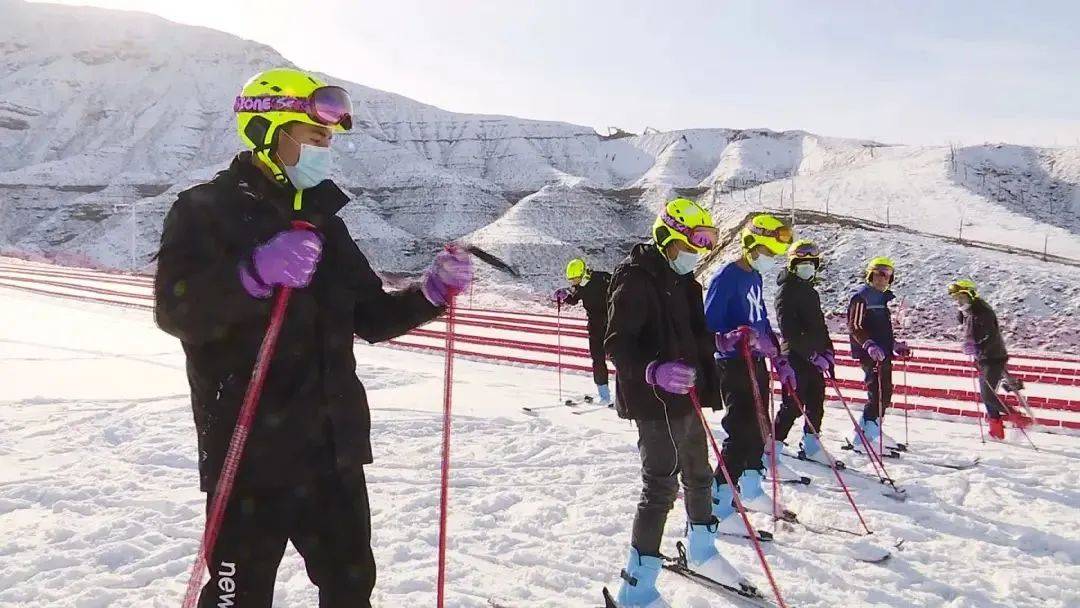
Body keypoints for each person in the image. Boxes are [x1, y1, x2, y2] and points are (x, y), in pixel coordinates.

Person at [153, 68, 473, 608]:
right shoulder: (204, 210)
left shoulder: (325, 221)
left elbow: (371, 315)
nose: (327, 149)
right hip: (249, 450)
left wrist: (431, 293)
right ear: (267, 132)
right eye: (315, 136)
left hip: (331, 450)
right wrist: (251, 274)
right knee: (239, 597)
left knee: (350, 589)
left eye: (329, 139)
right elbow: (175, 310)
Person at [606, 198, 749, 607]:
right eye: (691, 244)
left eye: (702, 246)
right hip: (652, 402)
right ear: (666, 238)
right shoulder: (634, 280)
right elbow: (615, 345)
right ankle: (637, 585)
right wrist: (653, 370)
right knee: (660, 486)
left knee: (699, 473)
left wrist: (719, 344)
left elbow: (695, 335)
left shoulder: (688, 283)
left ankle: (701, 547)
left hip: (686, 396)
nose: (696, 254)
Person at [705, 213, 799, 527]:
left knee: (759, 430)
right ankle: (718, 500)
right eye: (768, 252)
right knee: (741, 431)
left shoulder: (756, 277)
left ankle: (750, 487)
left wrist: (778, 355)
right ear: (751, 245)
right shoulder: (727, 276)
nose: (771, 259)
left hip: (756, 362)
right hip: (733, 365)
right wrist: (731, 338)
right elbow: (710, 326)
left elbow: (761, 320)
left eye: (776, 255)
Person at [773, 240, 837, 465]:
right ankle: (773, 448)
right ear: (792, 265)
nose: (807, 267)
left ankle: (811, 444)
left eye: (811, 263)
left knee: (817, 400)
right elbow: (789, 330)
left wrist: (828, 351)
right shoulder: (786, 292)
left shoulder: (811, 292)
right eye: (802, 263)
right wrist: (810, 354)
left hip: (815, 358)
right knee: (792, 405)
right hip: (796, 357)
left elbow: (819, 326)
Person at [846, 257, 911, 453]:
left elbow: (883, 330)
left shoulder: (881, 300)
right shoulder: (862, 297)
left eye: (887, 275)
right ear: (870, 275)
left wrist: (895, 345)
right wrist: (869, 345)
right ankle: (869, 434)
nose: (883, 279)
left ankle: (867, 431)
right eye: (879, 274)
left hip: (883, 353)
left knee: (885, 391)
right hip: (870, 353)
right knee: (877, 391)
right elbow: (854, 326)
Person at [948, 279, 1026, 440]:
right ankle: (996, 430)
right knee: (986, 395)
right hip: (983, 358)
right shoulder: (969, 311)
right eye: (956, 299)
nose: (959, 302)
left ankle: (1018, 417)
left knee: (988, 396)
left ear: (971, 295)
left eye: (961, 297)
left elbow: (988, 334)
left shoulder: (982, 312)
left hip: (993, 357)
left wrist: (975, 345)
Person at [554, 258, 613, 404]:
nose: (573, 283)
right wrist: (565, 296)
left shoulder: (603, 278)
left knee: (618, 358)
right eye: (571, 280)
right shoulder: (580, 286)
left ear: (583, 274)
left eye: (575, 279)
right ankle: (604, 394)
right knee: (597, 359)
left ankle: (627, 392)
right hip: (594, 326)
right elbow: (574, 299)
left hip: (612, 323)